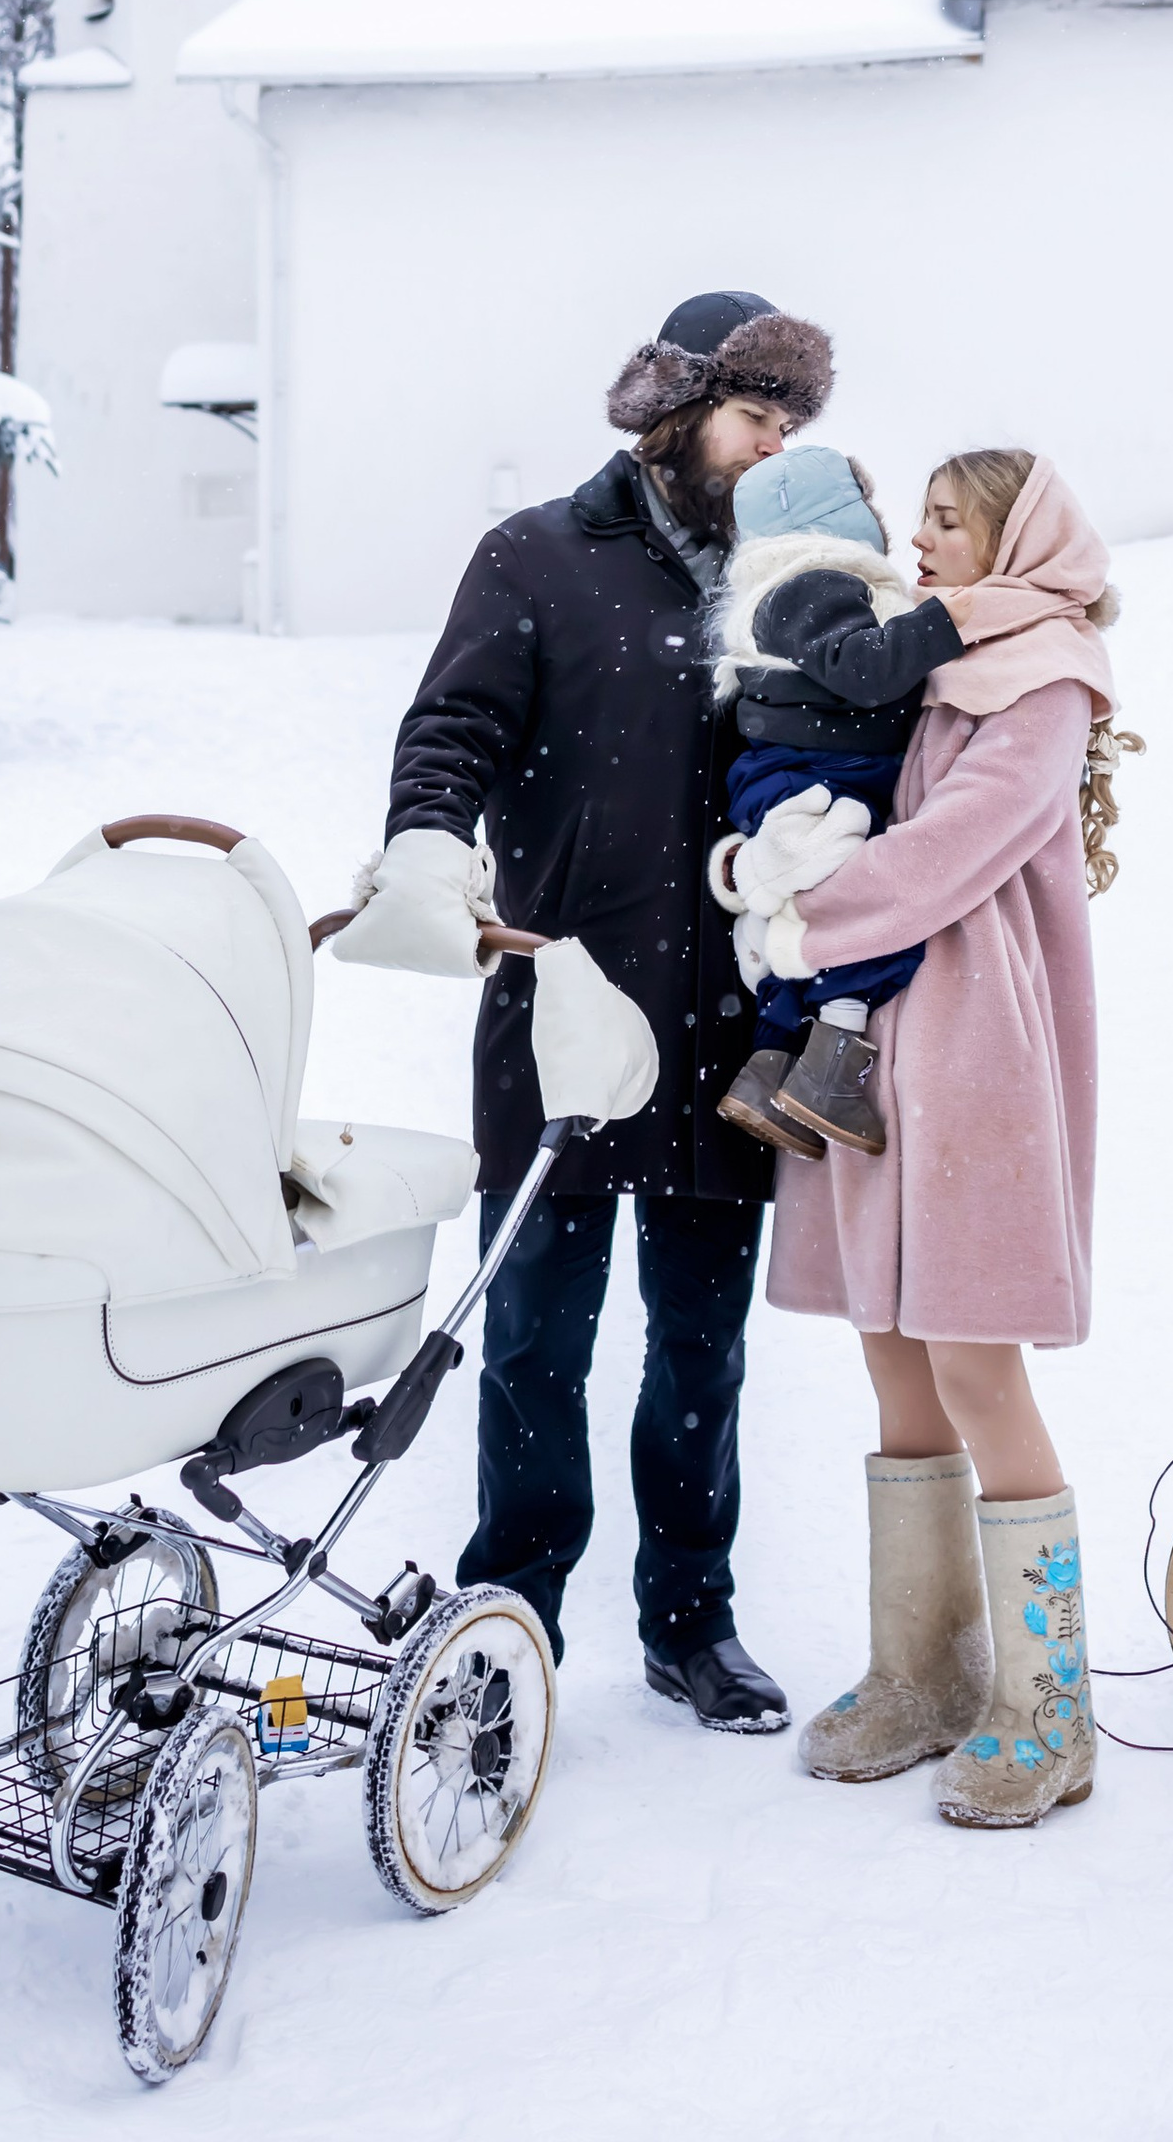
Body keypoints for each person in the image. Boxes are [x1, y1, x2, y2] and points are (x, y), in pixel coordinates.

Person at [334, 287, 834, 1733]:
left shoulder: (793, 584)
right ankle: (511, 1622)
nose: (777, 445)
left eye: (796, 422)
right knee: (537, 1344)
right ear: (676, 410)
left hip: (730, 1031)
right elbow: (451, 731)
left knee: (700, 1347)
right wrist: (430, 840)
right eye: (758, 415)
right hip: (560, 1007)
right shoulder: (541, 559)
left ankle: (692, 1623)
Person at [751, 447, 1120, 1829]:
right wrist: (759, 856)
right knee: (894, 1355)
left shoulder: (1046, 676)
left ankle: (1049, 1707)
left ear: (1019, 535)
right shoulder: (930, 664)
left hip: (974, 1061)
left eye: (949, 521)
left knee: (975, 1359)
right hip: (875, 1057)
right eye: (918, 518)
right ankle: (922, 1672)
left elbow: (955, 846)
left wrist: (802, 916)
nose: (920, 542)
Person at [705, 445, 965, 1158]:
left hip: (809, 772)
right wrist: (951, 622)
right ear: (833, 516)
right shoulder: (812, 583)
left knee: (801, 921)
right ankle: (831, 1071)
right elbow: (865, 671)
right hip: (821, 777)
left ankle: (769, 1068)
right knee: (868, 915)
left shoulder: (796, 588)